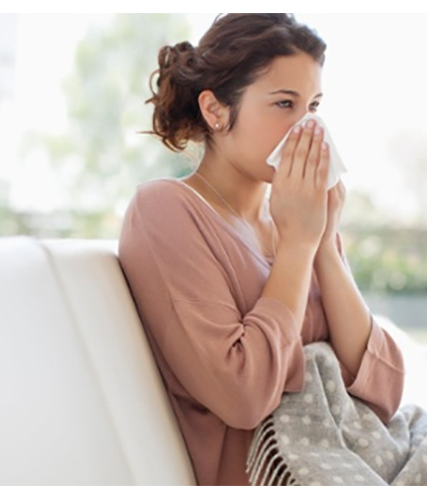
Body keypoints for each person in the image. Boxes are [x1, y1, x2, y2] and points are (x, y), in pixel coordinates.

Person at [117, 14, 405, 486]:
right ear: (215, 110)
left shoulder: (296, 220)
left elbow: (384, 390)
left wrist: (324, 247)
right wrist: (298, 247)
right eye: (284, 104)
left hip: (363, 457)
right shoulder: (166, 210)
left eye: (312, 106)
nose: (306, 128)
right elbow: (243, 395)